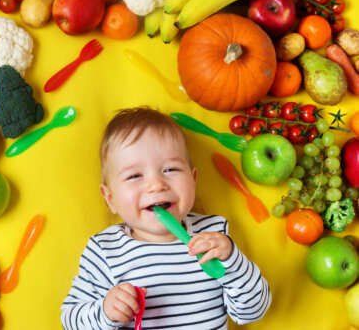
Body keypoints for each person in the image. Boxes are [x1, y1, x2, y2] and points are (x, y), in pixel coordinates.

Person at [61, 107, 271, 330]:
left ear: (193, 180)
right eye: (135, 176)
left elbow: (253, 311)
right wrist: (106, 312)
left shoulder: (214, 236)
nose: (156, 185)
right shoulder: (105, 249)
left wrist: (232, 260)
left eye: (170, 169)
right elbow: (71, 320)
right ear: (110, 198)